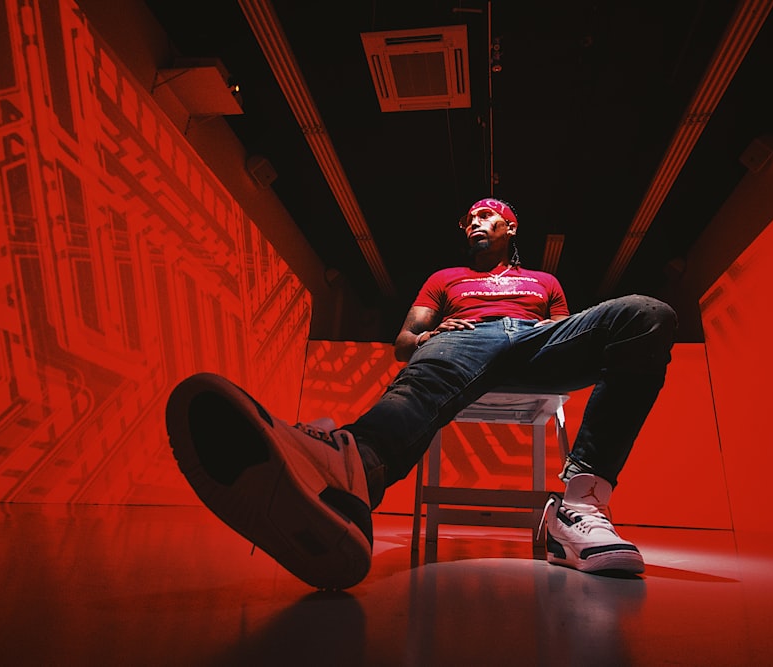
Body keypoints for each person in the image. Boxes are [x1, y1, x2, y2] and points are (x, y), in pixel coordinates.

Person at [166, 198, 677, 590]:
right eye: (469, 220)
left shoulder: (544, 280)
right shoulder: (444, 279)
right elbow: (403, 343)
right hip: (464, 340)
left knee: (647, 314)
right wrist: (428, 337)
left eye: (486, 217)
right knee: (427, 373)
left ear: (509, 227)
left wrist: (545, 337)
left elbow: (566, 332)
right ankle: (352, 474)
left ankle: (580, 507)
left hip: (536, 343)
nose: (475, 224)